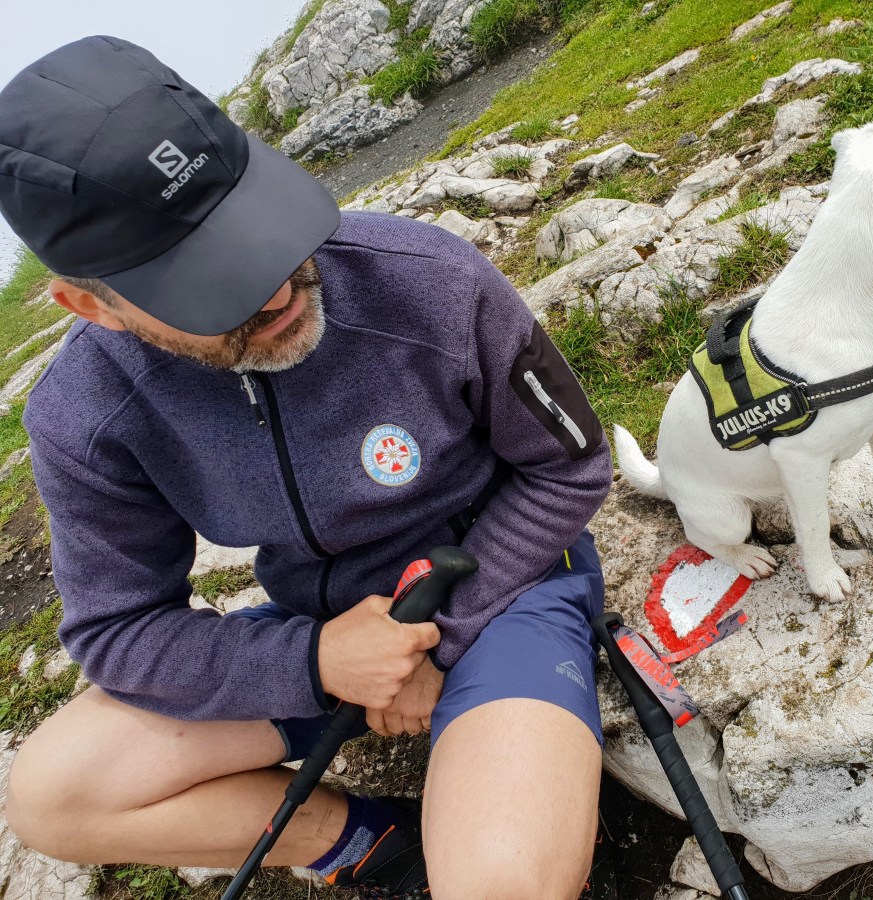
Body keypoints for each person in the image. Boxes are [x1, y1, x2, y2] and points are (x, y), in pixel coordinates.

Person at [0, 36, 613, 899]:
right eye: (202, 283)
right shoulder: (85, 415)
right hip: (319, 632)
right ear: (89, 304)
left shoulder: (428, 282)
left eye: (250, 226)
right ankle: (366, 843)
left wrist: (436, 639)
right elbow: (117, 630)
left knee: (500, 884)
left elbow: (570, 469)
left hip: (500, 591)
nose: (275, 290)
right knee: (50, 797)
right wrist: (322, 660)